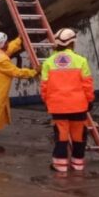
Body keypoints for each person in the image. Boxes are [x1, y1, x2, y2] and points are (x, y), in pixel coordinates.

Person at [40, 28, 95, 173]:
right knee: (79, 136)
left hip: (58, 107)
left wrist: (47, 101)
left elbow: (44, 87)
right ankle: (78, 164)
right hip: (78, 106)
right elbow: (87, 84)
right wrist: (90, 100)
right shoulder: (81, 61)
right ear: (72, 43)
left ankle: (60, 165)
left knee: (61, 136)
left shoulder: (48, 63)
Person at [0, 32, 38, 153]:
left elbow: (9, 49)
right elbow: (16, 72)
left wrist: (19, 40)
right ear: (0, 44)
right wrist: (34, 72)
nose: (7, 43)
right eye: (5, 42)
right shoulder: (1, 60)